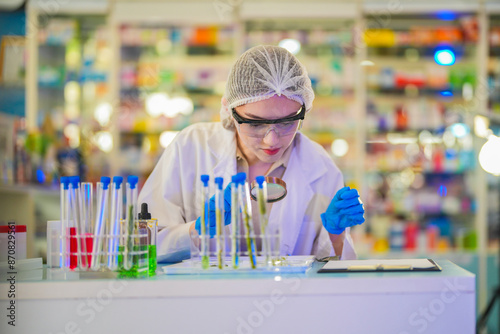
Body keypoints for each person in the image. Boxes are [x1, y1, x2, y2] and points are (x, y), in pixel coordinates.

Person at [138, 45, 365, 263]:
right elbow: (142, 245)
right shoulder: (190, 147)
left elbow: (334, 271)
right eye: (255, 124)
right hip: (203, 297)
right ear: (229, 110)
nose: (271, 140)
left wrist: (336, 233)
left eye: (287, 122)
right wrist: (196, 231)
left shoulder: (320, 166)